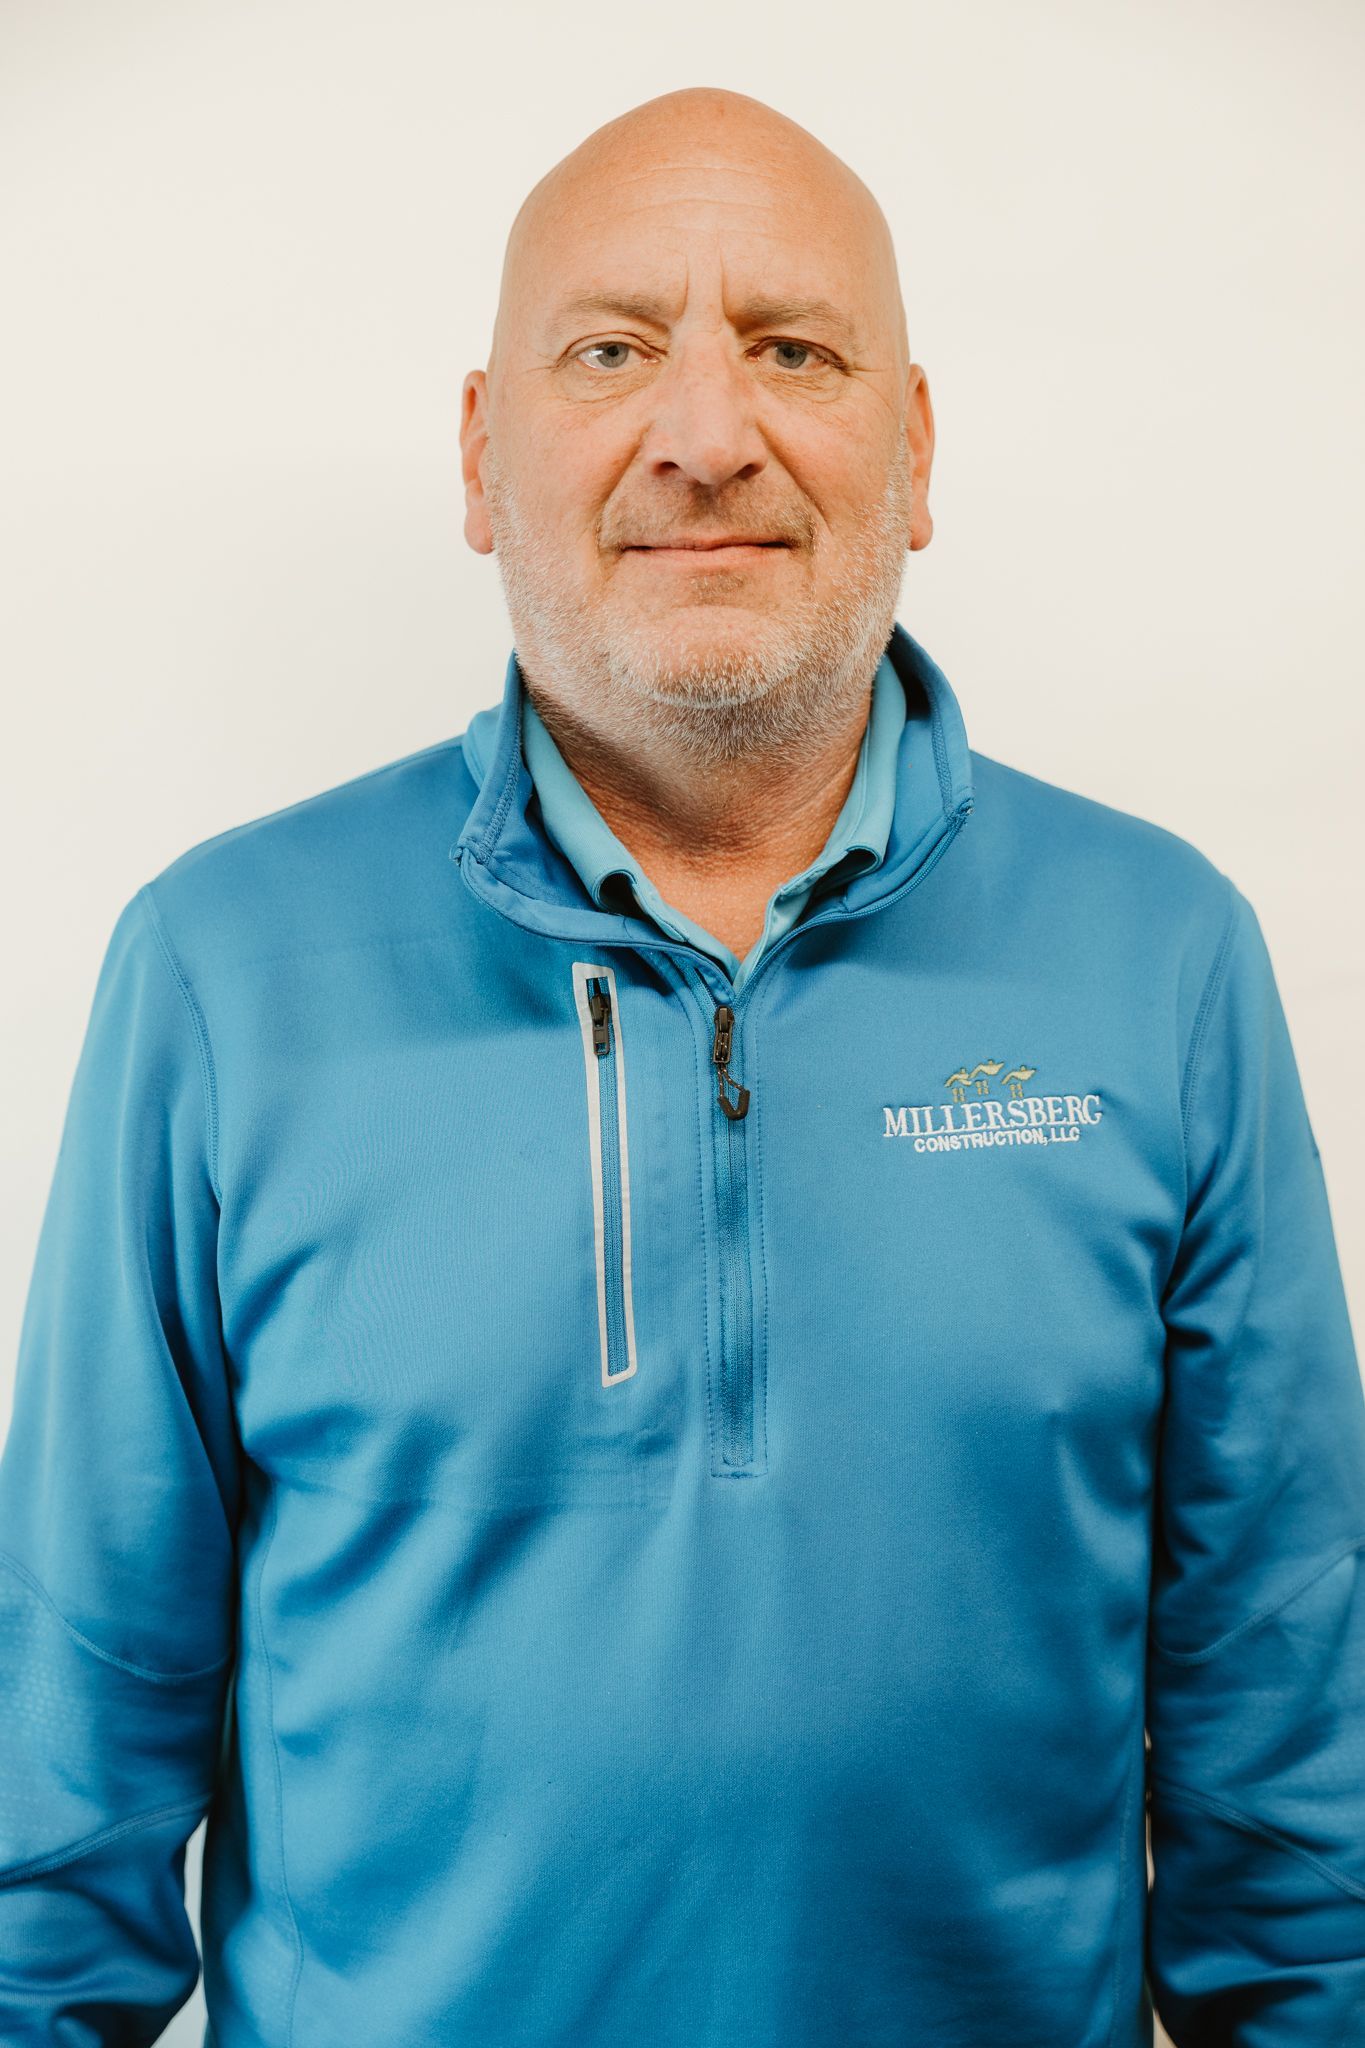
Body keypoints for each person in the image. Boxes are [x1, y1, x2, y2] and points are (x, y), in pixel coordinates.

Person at [1, 82, 1361, 2048]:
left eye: (792, 352)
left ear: (911, 451)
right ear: (481, 453)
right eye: (611, 350)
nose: (706, 435)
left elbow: (1293, 1782)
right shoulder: (223, 973)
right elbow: (55, 1814)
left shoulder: (1159, 961)